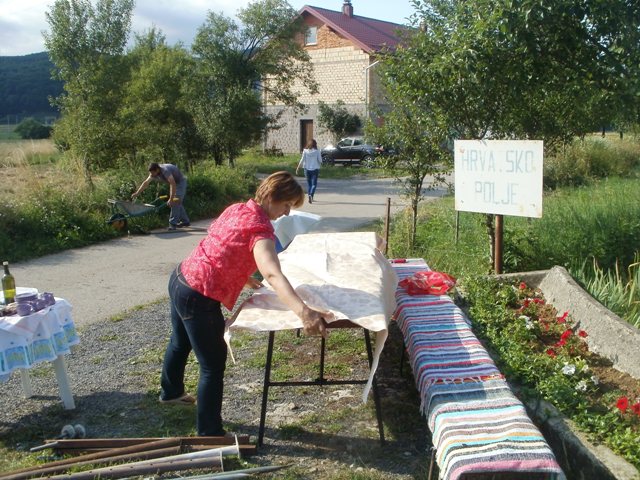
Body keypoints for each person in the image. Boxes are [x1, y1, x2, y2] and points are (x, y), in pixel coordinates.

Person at [159, 171, 333, 436]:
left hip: (181, 277)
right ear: (274, 197)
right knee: (212, 365)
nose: (286, 213)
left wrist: (241, 276)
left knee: (179, 342)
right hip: (198, 294)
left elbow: (223, 242)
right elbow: (272, 273)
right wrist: (304, 312)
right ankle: (210, 434)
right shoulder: (261, 229)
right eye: (286, 206)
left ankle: (170, 393)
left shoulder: (238, 208)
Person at [132, 162, 190, 230]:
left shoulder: (165, 170)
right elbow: (146, 183)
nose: (152, 175)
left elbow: (173, 183)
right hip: (174, 183)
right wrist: (137, 193)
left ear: (157, 170)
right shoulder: (153, 172)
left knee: (175, 202)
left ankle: (172, 224)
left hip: (180, 182)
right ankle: (185, 221)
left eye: (153, 173)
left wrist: (171, 199)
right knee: (177, 202)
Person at [296, 139, 322, 204]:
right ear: (315, 144)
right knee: (314, 184)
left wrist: (298, 168)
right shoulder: (317, 151)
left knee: (309, 184)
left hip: (306, 169)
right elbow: (320, 160)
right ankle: (311, 195)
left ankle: (310, 196)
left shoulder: (305, 151)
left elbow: (302, 159)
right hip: (315, 169)